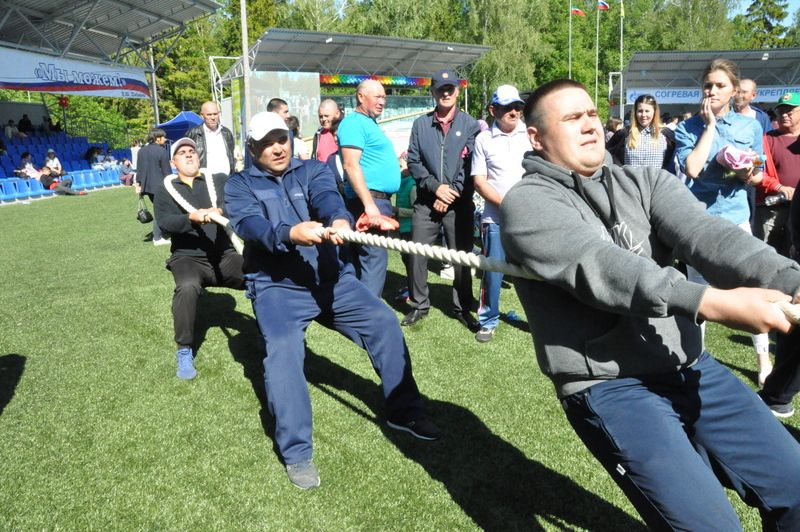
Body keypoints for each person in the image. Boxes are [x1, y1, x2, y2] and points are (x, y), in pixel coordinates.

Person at [503, 77, 800, 531]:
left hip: (692, 366)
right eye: (570, 118)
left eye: (590, 114)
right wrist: (711, 301)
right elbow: (600, 266)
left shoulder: (646, 180)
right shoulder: (526, 204)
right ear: (536, 137)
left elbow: (711, 238)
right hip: (611, 386)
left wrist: (792, 281)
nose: (588, 126)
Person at [224, 111, 440, 490]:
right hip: (277, 287)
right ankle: (297, 452)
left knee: (384, 322)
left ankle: (403, 412)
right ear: (253, 147)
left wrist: (339, 220)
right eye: (268, 143)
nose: (278, 148)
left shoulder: (312, 169)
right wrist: (290, 232)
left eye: (282, 139)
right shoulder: (238, 185)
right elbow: (249, 225)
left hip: (330, 279)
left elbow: (325, 197)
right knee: (284, 355)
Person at [674, 59, 772, 386]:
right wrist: (711, 126)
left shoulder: (751, 126)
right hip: (699, 222)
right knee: (698, 296)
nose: (712, 90)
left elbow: (759, 173)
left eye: (720, 85)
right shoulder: (688, 128)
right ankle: (694, 363)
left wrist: (748, 172)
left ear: (733, 90)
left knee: (751, 289)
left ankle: (763, 358)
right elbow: (692, 168)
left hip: (736, 220)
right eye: (708, 85)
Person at [154, 137, 244, 380]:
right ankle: (184, 349)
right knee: (187, 287)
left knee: (257, 273)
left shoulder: (218, 180)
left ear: (198, 156)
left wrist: (220, 210)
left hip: (224, 254)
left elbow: (234, 201)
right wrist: (190, 218)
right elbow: (164, 222)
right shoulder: (166, 189)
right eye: (182, 152)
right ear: (174, 162)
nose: (189, 155)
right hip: (188, 258)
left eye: (192, 151)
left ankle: (272, 331)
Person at [402, 70, 480, 329]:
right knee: (417, 254)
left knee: (461, 257)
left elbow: (471, 166)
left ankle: (462, 306)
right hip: (426, 201)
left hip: (459, 204)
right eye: (440, 89)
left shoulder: (470, 124)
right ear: (433, 92)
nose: (445, 93)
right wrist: (436, 188)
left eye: (450, 88)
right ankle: (419, 304)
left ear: (457, 91)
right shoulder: (420, 124)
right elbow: (413, 161)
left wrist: (449, 194)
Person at [471, 85, 530, 342]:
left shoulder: (532, 135)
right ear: (493, 110)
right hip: (495, 219)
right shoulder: (483, 139)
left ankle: (542, 319)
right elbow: (480, 181)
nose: (514, 111)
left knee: (536, 273)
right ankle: (488, 320)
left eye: (517, 106)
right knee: (493, 273)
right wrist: (508, 204)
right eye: (508, 107)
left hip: (531, 219)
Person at [338, 79, 401, 297]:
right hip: (369, 203)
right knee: (372, 262)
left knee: (370, 261)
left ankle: (361, 312)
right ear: (361, 97)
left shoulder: (368, 123)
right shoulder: (354, 123)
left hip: (377, 201)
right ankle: (369, 319)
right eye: (377, 96)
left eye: (384, 97)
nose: (382, 101)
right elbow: (350, 165)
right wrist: (369, 205)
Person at [753, 92, 800, 258]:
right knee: (765, 254)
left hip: (797, 208)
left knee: (793, 253)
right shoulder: (764, 139)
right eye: (781, 112)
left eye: (790, 111)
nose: (784, 115)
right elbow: (756, 170)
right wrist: (778, 187)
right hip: (770, 207)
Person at [606, 94, 675, 170]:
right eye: (640, 111)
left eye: (647, 111)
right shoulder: (625, 133)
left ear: (654, 112)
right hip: (630, 181)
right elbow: (608, 153)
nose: (643, 115)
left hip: (657, 181)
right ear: (635, 112)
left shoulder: (666, 134)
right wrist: (620, 171)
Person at [136, 128, 172, 246]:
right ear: (157, 138)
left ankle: (164, 230)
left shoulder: (141, 151)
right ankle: (157, 238)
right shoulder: (162, 151)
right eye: (163, 137)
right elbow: (167, 171)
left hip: (147, 186)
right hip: (159, 186)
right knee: (159, 210)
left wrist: (138, 184)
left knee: (160, 208)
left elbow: (139, 169)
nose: (165, 139)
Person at [185, 101, 236, 176]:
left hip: (226, 180)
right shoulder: (194, 133)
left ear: (219, 114)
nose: (213, 117)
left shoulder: (226, 133)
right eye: (209, 115)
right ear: (202, 115)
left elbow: (231, 155)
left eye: (215, 114)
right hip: (203, 181)